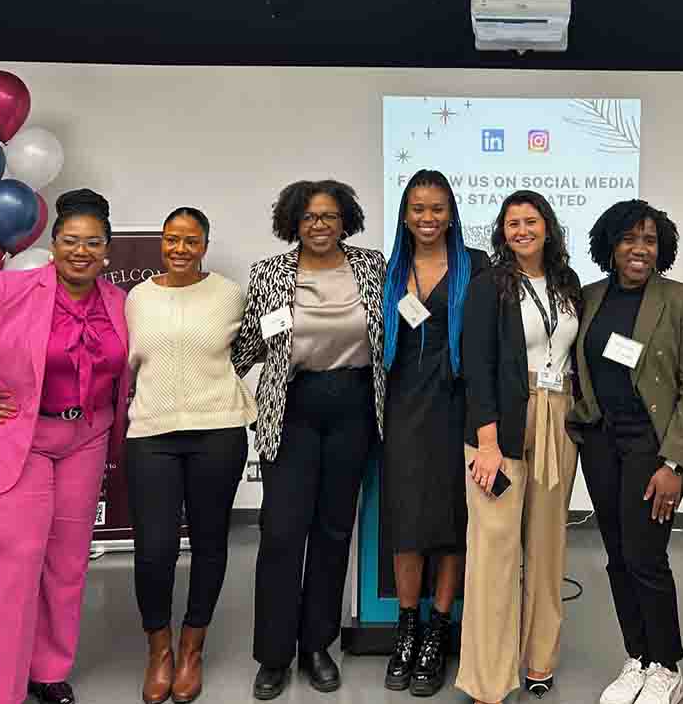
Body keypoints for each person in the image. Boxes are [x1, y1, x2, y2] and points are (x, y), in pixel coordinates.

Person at [0, 190, 128, 704]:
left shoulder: (119, 302)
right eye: (70, 240)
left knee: (68, 562)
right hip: (20, 441)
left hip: (87, 440)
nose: (81, 251)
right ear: (53, 243)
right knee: (13, 571)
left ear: (107, 251)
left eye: (93, 242)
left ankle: (48, 670)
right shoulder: (9, 290)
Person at [232, 180, 387, 701]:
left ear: (346, 220)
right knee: (280, 534)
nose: (319, 225)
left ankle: (317, 645)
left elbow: (394, 335)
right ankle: (274, 656)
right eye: (309, 217)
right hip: (292, 411)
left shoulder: (372, 266)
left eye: (329, 216)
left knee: (333, 530)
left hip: (354, 408)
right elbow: (249, 344)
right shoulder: (270, 273)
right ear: (292, 223)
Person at [570, 201, 683, 704]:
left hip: (652, 447)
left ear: (662, 247)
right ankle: (637, 656)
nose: (639, 249)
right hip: (601, 443)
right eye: (629, 239)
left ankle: (666, 666)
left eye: (649, 240)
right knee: (616, 556)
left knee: (646, 557)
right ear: (610, 245)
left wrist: (674, 463)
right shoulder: (588, 297)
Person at [125, 207, 257, 704]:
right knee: (154, 550)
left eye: (191, 240)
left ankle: (192, 646)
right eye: (172, 239)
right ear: (162, 242)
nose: (180, 249)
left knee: (209, 543)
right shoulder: (137, 297)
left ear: (205, 244)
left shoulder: (229, 294)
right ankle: (158, 648)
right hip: (152, 433)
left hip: (217, 430)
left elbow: (246, 349)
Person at [456, 190, 583, 704]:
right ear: (502, 232)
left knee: (547, 546)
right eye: (512, 223)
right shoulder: (489, 287)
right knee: (494, 550)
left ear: (548, 227)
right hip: (502, 426)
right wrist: (486, 443)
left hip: (560, 416)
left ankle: (539, 660)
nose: (522, 230)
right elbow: (477, 367)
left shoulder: (569, 285)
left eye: (531, 221)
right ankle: (488, 677)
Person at [381, 170, 489, 696]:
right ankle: (407, 626)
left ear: (452, 213)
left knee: (451, 518)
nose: (428, 218)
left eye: (438, 208)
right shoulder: (388, 270)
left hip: (458, 408)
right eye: (419, 209)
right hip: (403, 407)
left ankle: (438, 629)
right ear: (405, 214)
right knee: (406, 518)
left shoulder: (477, 266)